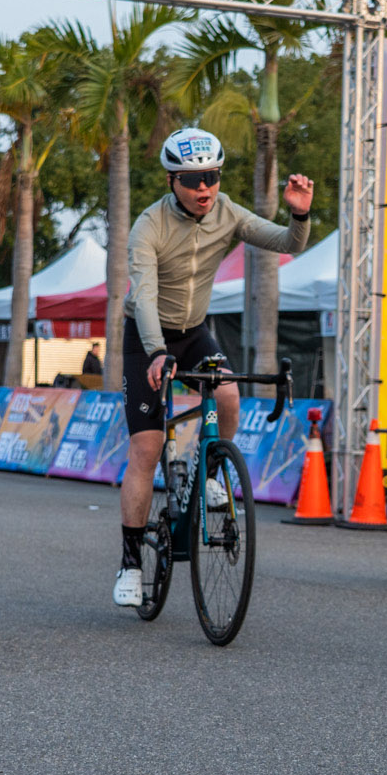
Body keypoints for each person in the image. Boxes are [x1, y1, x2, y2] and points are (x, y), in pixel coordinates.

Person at [112, 128, 311, 608]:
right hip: (147, 336)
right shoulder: (149, 225)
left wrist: (300, 214)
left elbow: (288, 242)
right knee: (146, 447)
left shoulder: (228, 213)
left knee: (226, 394)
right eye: (193, 179)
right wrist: (157, 352)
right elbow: (144, 297)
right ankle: (131, 563)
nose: (204, 188)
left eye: (213, 177)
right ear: (172, 180)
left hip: (195, 331)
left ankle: (213, 475)